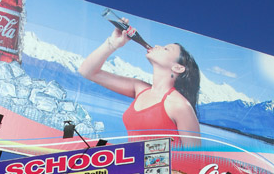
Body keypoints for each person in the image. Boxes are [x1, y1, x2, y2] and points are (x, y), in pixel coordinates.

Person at [79, 19, 201, 148]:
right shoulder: (140, 89)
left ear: (178, 68)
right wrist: (113, 43)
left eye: (166, 49)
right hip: (131, 164)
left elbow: (195, 158)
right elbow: (87, 72)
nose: (158, 46)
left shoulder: (180, 105)